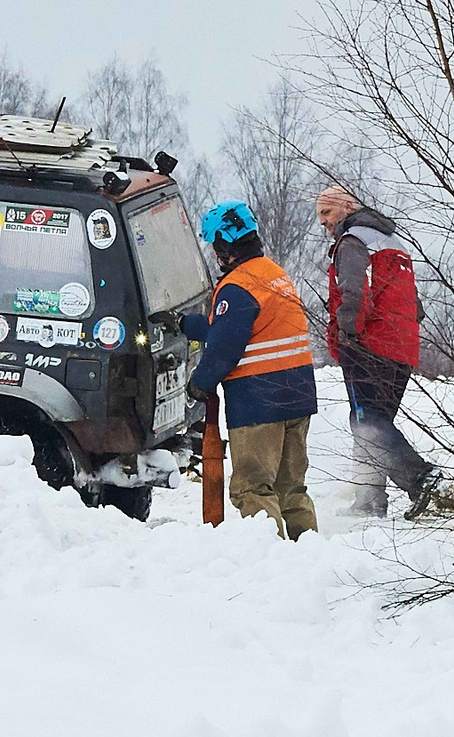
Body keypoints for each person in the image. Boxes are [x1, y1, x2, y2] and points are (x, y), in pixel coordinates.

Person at [181, 200, 319, 540]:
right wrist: (186, 324)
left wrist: (199, 383)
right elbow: (237, 327)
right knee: (291, 489)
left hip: (260, 402)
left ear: (225, 246)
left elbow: (225, 348)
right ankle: (309, 552)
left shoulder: (237, 286)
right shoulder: (273, 274)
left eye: (216, 246)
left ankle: (266, 560)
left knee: (251, 487)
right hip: (297, 395)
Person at [316, 185, 433, 517]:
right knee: (371, 423)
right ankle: (369, 503)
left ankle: (421, 479)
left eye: (327, 212)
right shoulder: (391, 242)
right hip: (401, 349)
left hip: (369, 346)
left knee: (367, 422)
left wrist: (348, 333)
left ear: (349, 206)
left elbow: (354, 292)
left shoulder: (352, 242)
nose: (323, 222)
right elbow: (417, 306)